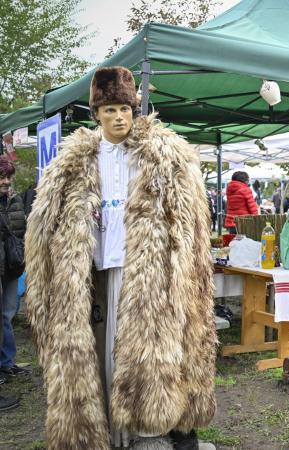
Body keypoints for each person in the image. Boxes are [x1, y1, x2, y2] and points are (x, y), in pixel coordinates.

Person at [25, 66, 216, 450]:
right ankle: (102, 433)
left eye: (125, 109)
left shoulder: (162, 157)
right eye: (110, 109)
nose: (119, 117)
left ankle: (146, 431)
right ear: (95, 113)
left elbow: (189, 223)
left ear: (135, 110)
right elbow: (44, 229)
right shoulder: (74, 163)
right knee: (95, 352)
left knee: (149, 353)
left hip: (147, 274)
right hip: (91, 275)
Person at [0, 156, 28, 382]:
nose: (6, 181)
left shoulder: (15, 200)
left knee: (7, 314)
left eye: (8, 176)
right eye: (2, 176)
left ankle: (6, 363)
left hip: (11, 267)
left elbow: (22, 231)